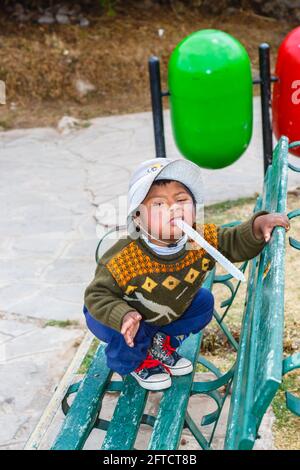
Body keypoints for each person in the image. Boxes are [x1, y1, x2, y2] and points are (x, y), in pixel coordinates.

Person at [83, 158, 290, 390]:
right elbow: (96, 295)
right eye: (159, 205)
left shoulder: (199, 240)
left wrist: (256, 225)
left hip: (165, 312)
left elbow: (233, 242)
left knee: (203, 303)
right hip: (119, 316)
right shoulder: (126, 258)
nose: (174, 208)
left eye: (181, 200)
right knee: (132, 331)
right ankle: (138, 362)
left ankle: (160, 342)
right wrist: (122, 315)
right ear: (138, 219)